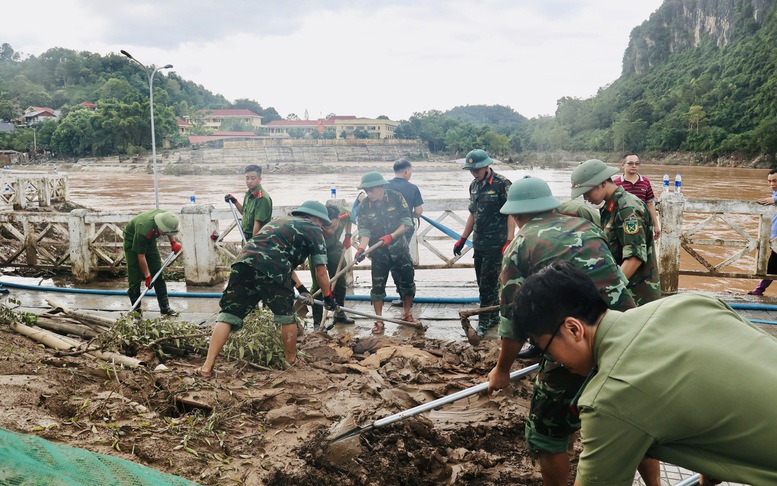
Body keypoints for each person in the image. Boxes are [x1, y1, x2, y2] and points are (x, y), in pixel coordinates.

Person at [509, 261, 777, 486]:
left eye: (546, 349)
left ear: (573, 329)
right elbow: (725, 387)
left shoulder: (610, 398)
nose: (552, 360)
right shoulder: (688, 304)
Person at [487, 177, 659, 486]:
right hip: (629, 333)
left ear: (516, 215)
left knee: (546, 431)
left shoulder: (520, 245)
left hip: (577, 341)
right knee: (634, 420)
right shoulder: (588, 228)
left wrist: (501, 371)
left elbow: (513, 321)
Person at [200, 201, 338, 376]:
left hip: (243, 263)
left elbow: (281, 257)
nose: (323, 227)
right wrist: (328, 297)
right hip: (272, 269)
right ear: (316, 219)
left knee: (228, 314)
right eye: (322, 223)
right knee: (287, 317)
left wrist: (302, 288)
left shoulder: (280, 221)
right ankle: (291, 361)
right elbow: (321, 271)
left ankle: (206, 367)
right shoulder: (314, 229)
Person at [571, 159, 661, 305]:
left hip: (635, 296)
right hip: (624, 293)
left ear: (602, 183)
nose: (585, 198)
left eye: (587, 192)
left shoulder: (627, 209)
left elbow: (634, 258)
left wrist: (607, 292)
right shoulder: (611, 207)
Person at [454, 149, 514, 337]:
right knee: (483, 283)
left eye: (477, 169)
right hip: (478, 243)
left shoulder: (502, 184)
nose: (474, 172)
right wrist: (462, 238)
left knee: (488, 285)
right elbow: (473, 213)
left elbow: (511, 213)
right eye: (471, 169)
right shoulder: (473, 186)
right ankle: (494, 316)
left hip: (496, 244)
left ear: (487, 166)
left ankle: (484, 324)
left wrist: (510, 240)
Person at [353, 171, 416, 334]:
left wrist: (392, 236)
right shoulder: (364, 206)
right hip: (378, 253)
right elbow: (364, 231)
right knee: (377, 288)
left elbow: (407, 222)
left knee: (407, 283)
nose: (369, 194)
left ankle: (406, 314)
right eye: (366, 191)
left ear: (380, 187)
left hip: (399, 249)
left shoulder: (396, 197)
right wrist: (361, 248)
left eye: (371, 190)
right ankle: (379, 321)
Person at [123, 210, 182, 317]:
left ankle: (165, 308)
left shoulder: (167, 216)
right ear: (160, 226)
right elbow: (140, 256)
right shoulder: (143, 230)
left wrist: (173, 242)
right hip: (132, 240)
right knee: (135, 276)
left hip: (149, 241)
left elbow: (169, 230)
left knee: (157, 272)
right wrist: (147, 276)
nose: (166, 233)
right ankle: (136, 312)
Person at [308, 204, 355, 328]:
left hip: (334, 247)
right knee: (318, 284)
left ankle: (339, 314)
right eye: (326, 227)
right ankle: (318, 323)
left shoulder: (343, 214)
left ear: (339, 219)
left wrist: (348, 236)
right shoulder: (314, 224)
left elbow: (350, 217)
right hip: (316, 249)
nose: (329, 230)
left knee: (340, 281)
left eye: (333, 226)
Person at [613, 154, 661, 239]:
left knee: (644, 249)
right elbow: (612, 205)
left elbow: (650, 205)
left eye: (637, 163)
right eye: (630, 163)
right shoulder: (616, 184)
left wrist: (656, 225)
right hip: (622, 224)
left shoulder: (645, 182)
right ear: (623, 165)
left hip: (643, 224)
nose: (634, 166)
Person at [224, 164, 273, 242]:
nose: (249, 181)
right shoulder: (249, 194)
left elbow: (257, 225)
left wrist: (252, 246)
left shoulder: (262, 198)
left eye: (253, 178)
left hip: (257, 241)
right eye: (247, 178)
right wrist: (235, 201)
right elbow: (245, 213)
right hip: (246, 239)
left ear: (260, 179)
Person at [749, 168, 777, 295]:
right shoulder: (774, 195)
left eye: (775, 181)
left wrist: (775, 200)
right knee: (772, 266)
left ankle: (758, 290)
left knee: (772, 265)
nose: (772, 184)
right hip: (774, 238)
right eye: (770, 181)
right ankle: (759, 290)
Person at [386, 159, 424, 235]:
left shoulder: (384, 185)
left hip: (386, 229)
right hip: (405, 229)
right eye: (411, 171)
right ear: (406, 171)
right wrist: (410, 214)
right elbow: (418, 211)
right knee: (403, 247)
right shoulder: (413, 188)